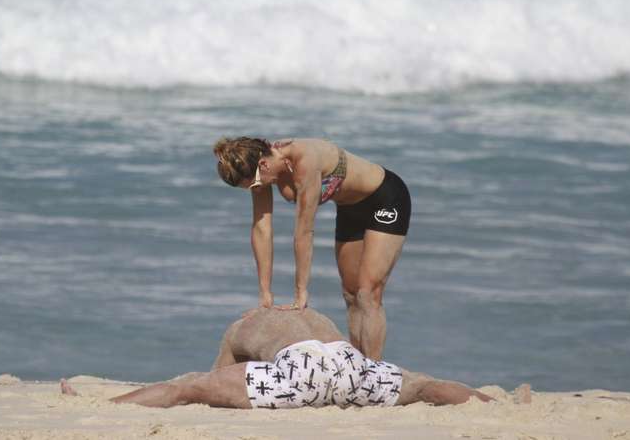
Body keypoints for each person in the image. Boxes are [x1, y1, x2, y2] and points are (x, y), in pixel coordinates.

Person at [212, 137, 411, 359]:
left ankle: (374, 371)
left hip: (384, 200)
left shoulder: (304, 160)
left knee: (368, 293)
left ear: (263, 166)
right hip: (349, 210)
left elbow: (304, 231)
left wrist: (300, 294)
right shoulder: (261, 168)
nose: (257, 190)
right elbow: (262, 228)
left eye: (256, 184)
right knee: (351, 293)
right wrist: (265, 296)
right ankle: (358, 364)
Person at [61, 308, 491, 409]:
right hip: (349, 362)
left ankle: (106, 408)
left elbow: (218, 375)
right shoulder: (313, 314)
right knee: (420, 385)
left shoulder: (244, 325)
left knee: (188, 385)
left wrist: (213, 387)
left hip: (297, 372)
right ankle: (490, 405)